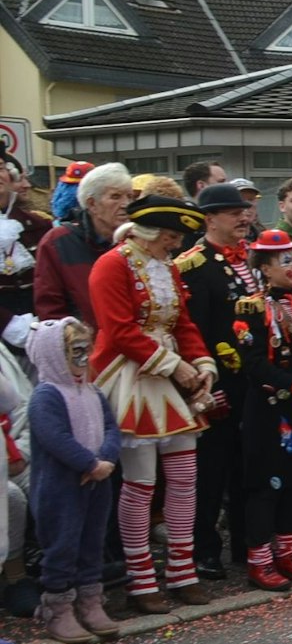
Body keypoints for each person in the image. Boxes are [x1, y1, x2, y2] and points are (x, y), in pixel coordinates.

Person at [88, 193, 215, 614]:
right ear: (152, 232)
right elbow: (119, 330)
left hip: (169, 375)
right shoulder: (112, 264)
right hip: (130, 377)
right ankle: (140, 581)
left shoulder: (165, 268)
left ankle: (182, 571)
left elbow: (182, 322)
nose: (175, 245)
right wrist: (176, 367)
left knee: (184, 477)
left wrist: (202, 365)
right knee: (140, 484)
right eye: (171, 236)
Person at [178, 183, 263, 580]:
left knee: (248, 465)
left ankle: (247, 543)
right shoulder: (194, 264)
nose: (244, 218)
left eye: (245, 211)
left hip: (251, 379)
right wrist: (206, 383)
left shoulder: (249, 259)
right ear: (209, 219)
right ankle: (204, 550)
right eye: (234, 213)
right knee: (211, 471)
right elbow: (193, 329)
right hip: (217, 381)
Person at [236, 229, 292, 592]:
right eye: (285, 260)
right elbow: (254, 363)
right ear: (264, 267)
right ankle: (259, 560)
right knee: (264, 485)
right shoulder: (251, 308)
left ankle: (289, 553)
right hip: (268, 409)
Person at [25, 318, 122, 644]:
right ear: (55, 355)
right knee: (62, 544)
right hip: (60, 488)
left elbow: (111, 426)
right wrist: (89, 463)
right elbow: (55, 437)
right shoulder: (46, 396)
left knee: (91, 542)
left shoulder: (93, 391)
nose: (83, 360)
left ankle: (90, 601)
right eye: (74, 353)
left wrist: (106, 459)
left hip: (97, 483)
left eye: (86, 351)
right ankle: (58, 607)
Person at [35, 162, 130, 327]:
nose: (126, 204)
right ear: (92, 204)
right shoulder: (58, 242)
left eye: (130, 196)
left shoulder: (136, 241)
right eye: (116, 196)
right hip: (86, 346)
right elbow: (50, 307)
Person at [0, 151, 56, 350]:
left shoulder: (39, 225)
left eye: (0, 168)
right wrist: (8, 324)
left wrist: (49, 324)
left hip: (40, 338)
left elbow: (54, 284)